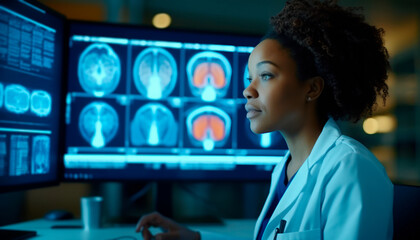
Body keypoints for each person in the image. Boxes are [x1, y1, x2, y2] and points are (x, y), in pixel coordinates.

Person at [136, 0, 394, 239]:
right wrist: (197, 238)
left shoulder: (351, 168)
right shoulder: (285, 167)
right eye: (250, 79)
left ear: (312, 89)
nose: (248, 90)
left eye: (266, 75)